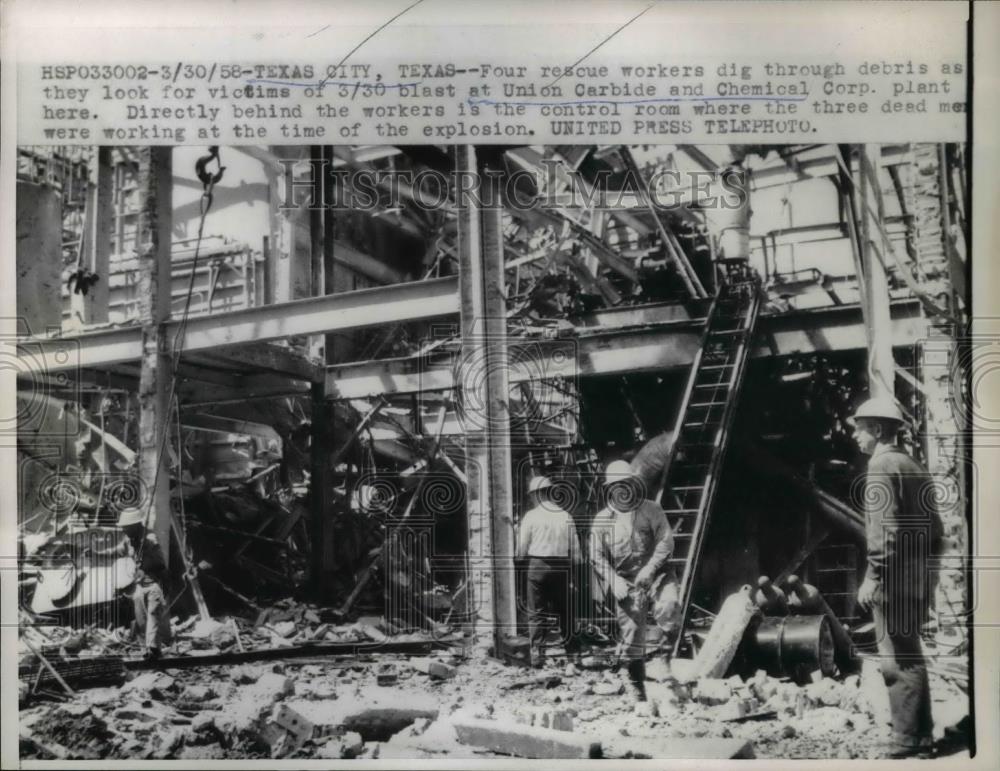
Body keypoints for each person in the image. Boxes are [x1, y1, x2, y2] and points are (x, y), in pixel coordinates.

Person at [850, 396, 943, 758]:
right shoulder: (913, 465)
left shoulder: (882, 467)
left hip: (893, 579)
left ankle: (908, 739)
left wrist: (873, 576)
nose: (856, 437)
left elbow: (883, 532)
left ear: (876, 429)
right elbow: (934, 529)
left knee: (896, 660)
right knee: (910, 653)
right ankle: (918, 737)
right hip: (916, 576)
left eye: (860, 429)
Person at [589, 460, 677, 702]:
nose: (623, 490)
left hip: (658, 573)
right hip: (624, 580)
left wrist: (650, 569)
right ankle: (637, 688)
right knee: (632, 637)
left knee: (669, 606)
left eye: (627, 484)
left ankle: (663, 660)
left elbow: (666, 542)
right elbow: (595, 556)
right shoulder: (601, 520)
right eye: (618, 485)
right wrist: (612, 579)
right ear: (610, 489)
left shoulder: (652, 509)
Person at [87, 506, 171, 660]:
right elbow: (115, 552)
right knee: (141, 620)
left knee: (153, 615)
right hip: (139, 586)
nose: (124, 530)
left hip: (153, 584)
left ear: (136, 526)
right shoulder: (129, 541)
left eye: (126, 527)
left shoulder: (150, 539)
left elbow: (161, 563)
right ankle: (146, 649)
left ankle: (153, 650)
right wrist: (95, 553)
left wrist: (145, 553)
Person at [517, 475, 580, 668]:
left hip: (537, 566)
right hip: (562, 568)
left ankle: (537, 657)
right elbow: (577, 552)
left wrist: (520, 564)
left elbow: (521, 550)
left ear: (536, 494)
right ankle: (573, 656)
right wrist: (574, 575)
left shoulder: (531, 516)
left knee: (536, 613)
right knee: (565, 613)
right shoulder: (565, 515)